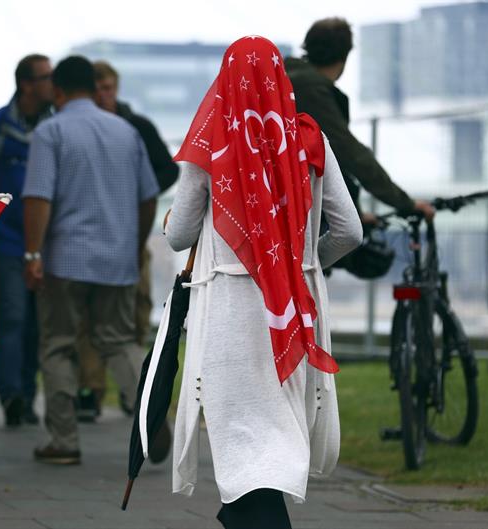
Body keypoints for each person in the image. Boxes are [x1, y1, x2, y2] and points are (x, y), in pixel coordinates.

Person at [165, 37, 361, 528]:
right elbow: (351, 231)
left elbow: (179, 235)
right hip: (295, 309)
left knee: (245, 441)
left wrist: (174, 217)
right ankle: (240, 516)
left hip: (230, 313)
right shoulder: (310, 139)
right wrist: (305, 263)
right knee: (273, 439)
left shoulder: (208, 143)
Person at [23, 55, 161, 465]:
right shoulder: (126, 132)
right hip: (118, 259)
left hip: (65, 259)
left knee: (59, 345)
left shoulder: (51, 132)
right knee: (119, 340)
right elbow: (148, 196)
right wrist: (134, 245)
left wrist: (33, 252)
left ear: (59, 90)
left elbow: (38, 197)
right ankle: (151, 420)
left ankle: (64, 441)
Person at [74, 60, 182, 421]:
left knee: (135, 311)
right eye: (98, 89)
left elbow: (169, 169)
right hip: (91, 233)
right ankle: (91, 389)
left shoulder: (136, 126)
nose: (104, 95)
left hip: (132, 233)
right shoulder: (80, 127)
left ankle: (130, 391)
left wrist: (140, 191)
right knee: (87, 317)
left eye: (109, 88)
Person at [285, 18, 435, 223]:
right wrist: (404, 203)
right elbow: (346, 153)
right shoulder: (312, 90)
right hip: (306, 212)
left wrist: (357, 213)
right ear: (344, 57)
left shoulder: (284, 78)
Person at [0, 54, 54, 427]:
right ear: (26, 84)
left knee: (38, 327)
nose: (52, 84)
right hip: (6, 243)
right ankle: (11, 397)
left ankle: (27, 394)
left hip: (47, 244)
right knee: (12, 319)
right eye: (46, 77)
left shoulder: (56, 127)